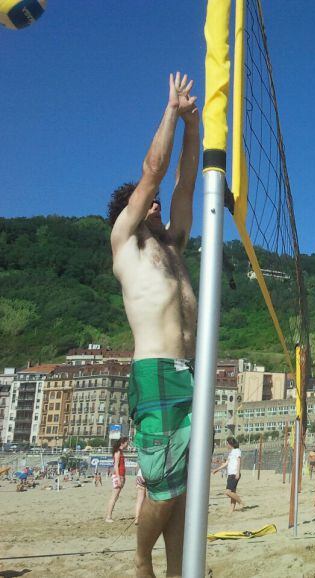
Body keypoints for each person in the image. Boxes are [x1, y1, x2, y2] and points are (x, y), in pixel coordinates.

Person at [108, 71, 199, 578]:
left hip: (190, 370)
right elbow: (154, 172)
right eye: (147, 202)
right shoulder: (128, 242)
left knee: (181, 495)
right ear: (132, 210)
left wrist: (192, 124)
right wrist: (170, 108)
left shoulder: (172, 246)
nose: (157, 203)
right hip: (157, 371)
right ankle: (141, 560)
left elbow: (186, 179)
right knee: (164, 491)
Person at [211, 437, 244, 513]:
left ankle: (241, 502)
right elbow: (226, 463)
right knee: (233, 492)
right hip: (230, 474)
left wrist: (238, 473)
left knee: (228, 492)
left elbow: (239, 461)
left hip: (234, 474)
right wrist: (217, 469)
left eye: (227, 444)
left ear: (230, 444)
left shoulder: (237, 451)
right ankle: (231, 511)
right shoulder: (231, 453)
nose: (226, 445)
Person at [105, 437, 129, 523]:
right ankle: (108, 516)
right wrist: (119, 479)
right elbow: (116, 466)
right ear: (122, 443)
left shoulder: (121, 452)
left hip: (121, 475)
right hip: (118, 476)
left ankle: (109, 516)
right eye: (126, 443)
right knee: (114, 497)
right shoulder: (118, 452)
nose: (127, 444)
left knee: (115, 497)